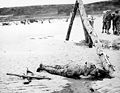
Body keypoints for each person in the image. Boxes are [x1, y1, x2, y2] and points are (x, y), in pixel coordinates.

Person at [36, 61, 115, 79]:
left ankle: (44, 65)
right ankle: (44, 68)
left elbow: (86, 63)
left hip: (73, 65)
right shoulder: (93, 71)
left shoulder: (92, 65)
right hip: (72, 71)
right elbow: (86, 75)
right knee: (57, 72)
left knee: (58, 66)